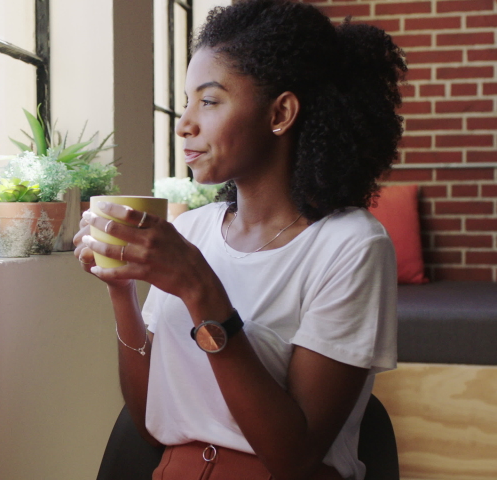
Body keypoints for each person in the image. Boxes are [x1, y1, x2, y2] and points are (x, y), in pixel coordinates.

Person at [74, 1, 406, 479]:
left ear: (280, 112)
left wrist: (199, 289)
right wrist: (120, 289)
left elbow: (293, 456)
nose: (184, 122)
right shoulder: (193, 230)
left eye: (208, 101)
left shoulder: (351, 246)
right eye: (186, 100)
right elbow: (149, 424)